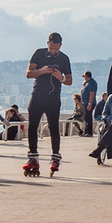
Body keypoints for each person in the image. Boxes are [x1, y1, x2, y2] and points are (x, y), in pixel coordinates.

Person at [24, 32, 71, 175]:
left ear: (60, 46)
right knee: (32, 126)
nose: (53, 51)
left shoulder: (64, 59)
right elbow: (28, 73)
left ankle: (55, 156)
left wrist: (60, 77)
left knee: (53, 127)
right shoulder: (39, 54)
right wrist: (41, 71)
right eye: (51, 48)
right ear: (47, 44)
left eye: (56, 49)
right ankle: (33, 157)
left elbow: (69, 80)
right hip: (38, 95)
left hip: (53, 97)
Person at [80, 71, 98, 136]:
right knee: (86, 117)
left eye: (84, 76)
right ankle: (86, 131)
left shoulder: (91, 83)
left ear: (87, 76)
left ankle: (89, 132)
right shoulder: (88, 83)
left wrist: (90, 103)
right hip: (86, 103)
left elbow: (92, 93)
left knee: (88, 117)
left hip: (89, 103)